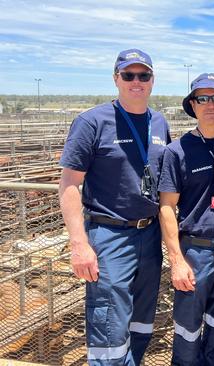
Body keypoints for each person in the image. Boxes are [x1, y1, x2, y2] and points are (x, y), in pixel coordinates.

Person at [58, 49, 170, 365]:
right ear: (116, 79)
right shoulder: (92, 122)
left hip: (149, 236)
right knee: (108, 321)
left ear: (152, 81)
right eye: (128, 75)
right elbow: (69, 185)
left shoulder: (158, 122)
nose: (136, 82)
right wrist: (79, 244)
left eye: (143, 75)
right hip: (110, 235)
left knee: (142, 318)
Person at [158, 73, 214, 365]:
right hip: (195, 252)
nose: (210, 105)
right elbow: (167, 207)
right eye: (202, 98)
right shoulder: (176, 151)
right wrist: (177, 261)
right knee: (187, 334)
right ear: (192, 105)